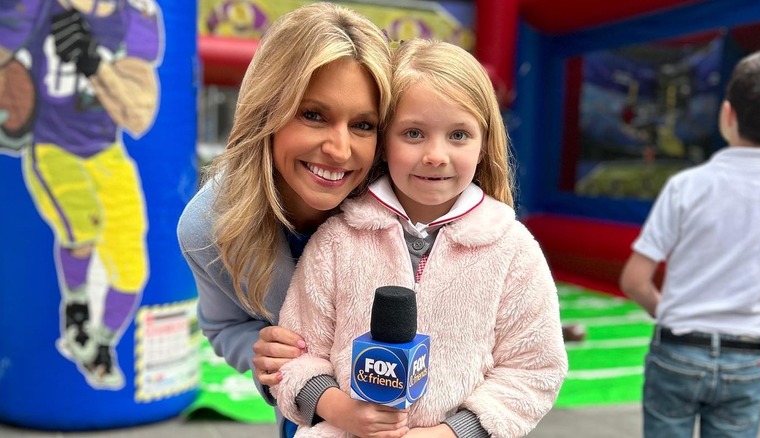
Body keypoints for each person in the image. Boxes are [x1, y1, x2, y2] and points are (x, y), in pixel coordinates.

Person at [271, 39, 568, 438]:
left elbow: (534, 368)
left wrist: (454, 432)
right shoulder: (338, 241)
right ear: (383, 141)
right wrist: (342, 411)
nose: (435, 155)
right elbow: (296, 355)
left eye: (459, 135)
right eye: (413, 133)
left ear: (483, 145)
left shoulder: (512, 250)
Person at [176, 3, 393, 437]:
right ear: (267, 113)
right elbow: (223, 327)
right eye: (313, 115)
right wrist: (258, 350)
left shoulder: (408, 208)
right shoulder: (209, 228)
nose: (339, 148)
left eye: (363, 125)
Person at [0, 0, 163, 389]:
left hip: (106, 152)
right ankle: (76, 308)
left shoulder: (137, 16)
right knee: (83, 222)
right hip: (52, 146)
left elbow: (139, 116)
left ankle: (100, 344)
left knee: (131, 268)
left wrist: (94, 65)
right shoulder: (36, 8)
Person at [619, 47, 760, 438]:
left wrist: (674, 312)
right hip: (747, 356)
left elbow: (634, 281)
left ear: (728, 114)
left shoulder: (686, 186)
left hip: (677, 350)